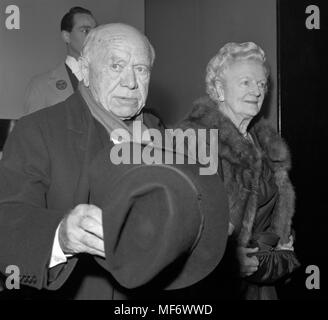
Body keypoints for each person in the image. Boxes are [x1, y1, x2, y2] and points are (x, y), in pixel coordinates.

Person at [0, 23, 229, 300]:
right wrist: (60, 235)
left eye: (141, 69)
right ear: (84, 70)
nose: (131, 82)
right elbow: (7, 222)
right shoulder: (38, 130)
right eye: (116, 66)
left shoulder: (164, 136)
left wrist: (203, 224)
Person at [177, 42, 299, 300]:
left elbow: (272, 213)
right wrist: (227, 259)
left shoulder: (263, 141)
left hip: (262, 283)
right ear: (219, 89)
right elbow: (182, 223)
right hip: (214, 288)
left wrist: (281, 243)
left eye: (262, 84)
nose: (257, 90)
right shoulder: (194, 139)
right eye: (245, 82)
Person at [23, 7, 97, 115]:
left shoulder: (107, 81)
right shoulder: (40, 86)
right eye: (85, 30)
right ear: (67, 36)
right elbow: (31, 130)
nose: (93, 36)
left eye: (95, 31)